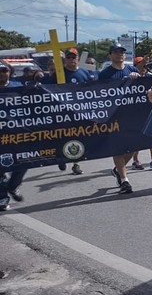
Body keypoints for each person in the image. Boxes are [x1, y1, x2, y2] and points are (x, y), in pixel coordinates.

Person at [43, 48, 96, 174]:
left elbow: (91, 91)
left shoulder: (84, 73)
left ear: (78, 58)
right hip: (62, 113)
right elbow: (47, 90)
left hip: (79, 113)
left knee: (78, 137)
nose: (72, 59)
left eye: (74, 57)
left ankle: (75, 163)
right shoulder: (59, 73)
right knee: (63, 137)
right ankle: (61, 157)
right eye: (69, 57)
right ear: (65, 59)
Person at [98, 44, 141, 193]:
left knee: (134, 146)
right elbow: (99, 94)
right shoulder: (104, 74)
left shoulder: (132, 70)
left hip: (132, 115)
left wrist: (137, 79)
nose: (119, 55)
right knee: (118, 148)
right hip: (114, 116)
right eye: (116, 52)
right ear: (110, 55)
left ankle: (118, 170)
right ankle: (124, 181)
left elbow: (141, 90)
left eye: (122, 52)